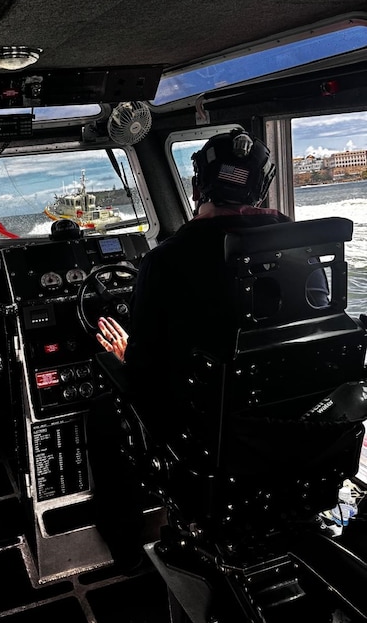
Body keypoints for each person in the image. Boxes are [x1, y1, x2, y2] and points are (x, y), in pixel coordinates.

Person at [87, 128, 291, 571]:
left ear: (198, 185)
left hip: (210, 433)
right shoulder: (294, 241)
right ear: (259, 186)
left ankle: (124, 551)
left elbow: (145, 369)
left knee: (103, 411)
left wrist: (125, 353)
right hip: (289, 417)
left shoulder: (165, 260)